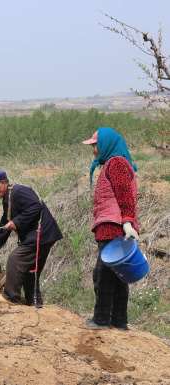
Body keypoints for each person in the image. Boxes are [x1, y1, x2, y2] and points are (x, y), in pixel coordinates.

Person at [82, 127, 139, 331]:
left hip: (114, 227)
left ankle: (102, 319)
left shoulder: (116, 163)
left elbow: (125, 195)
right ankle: (119, 321)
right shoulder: (115, 163)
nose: (94, 150)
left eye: (96, 145)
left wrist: (127, 221)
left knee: (103, 275)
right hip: (113, 226)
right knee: (117, 275)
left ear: (106, 144)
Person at [0, 170, 63, 307]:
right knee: (31, 270)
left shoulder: (18, 192)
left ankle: (11, 297)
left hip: (40, 234)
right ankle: (34, 302)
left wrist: (16, 222)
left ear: (2, 183)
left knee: (15, 259)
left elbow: (36, 206)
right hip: (45, 235)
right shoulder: (9, 197)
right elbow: (5, 224)